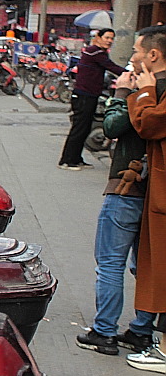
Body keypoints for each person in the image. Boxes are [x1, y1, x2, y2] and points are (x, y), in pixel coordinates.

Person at [76, 61, 157, 356]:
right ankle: (141, 330)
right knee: (146, 266)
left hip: (126, 190)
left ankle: (105, 331)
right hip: (155, 195)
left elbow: (112, 127)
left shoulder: (147, 93)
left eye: (136, 55)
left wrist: (122, 92)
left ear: (153, 55)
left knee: (111, 263)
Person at [125, 26, 166, 372]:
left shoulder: (157, 88)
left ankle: (164, 351)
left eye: (137, 50)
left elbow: (148, 124)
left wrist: (143, 91)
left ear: (153, 55)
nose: (133, 57)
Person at [59, 28, 125, 170]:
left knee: (85, 128)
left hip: (90, 95)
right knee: (79, 128)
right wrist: (130, 74)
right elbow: (112, 67)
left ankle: (76, 158)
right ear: (98, 37)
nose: (109, 41)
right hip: (84, 95)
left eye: (111, 38)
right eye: (107, 37)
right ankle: (67, 161)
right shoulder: (95, 52)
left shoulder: (97, 52)